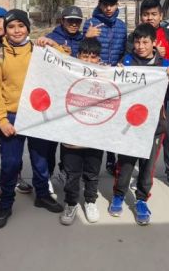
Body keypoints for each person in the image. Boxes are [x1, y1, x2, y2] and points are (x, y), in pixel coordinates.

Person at [0, 9, 64, 229]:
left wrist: (52, 45)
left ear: (28, 28)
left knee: (40, 161)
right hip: (12, 116)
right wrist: (1, 120)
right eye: (11, 26)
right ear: (6, 30)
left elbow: (66, 61)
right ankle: (6, 203)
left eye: (21, 26)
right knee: (10, 164)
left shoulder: (39, 50)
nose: (16, 30)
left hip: (38, 113)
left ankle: (42, 195)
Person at [108, 23, 169, 225]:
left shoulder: (164, 65)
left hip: (155, 125)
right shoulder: (127, 61)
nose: (140, 46)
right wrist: (117, 73)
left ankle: (141, 200)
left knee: (147, 167)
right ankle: (119, 196)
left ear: (154, 43)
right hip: (129, 125)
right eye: (137, 42)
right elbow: (116, 90)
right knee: (126, 164)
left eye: (145, 42)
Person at [135, 0, 169, 194]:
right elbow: (128, 61)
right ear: (141, 16)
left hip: (166, 97)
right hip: (142, 99)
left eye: (153, 14)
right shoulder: (136, 37)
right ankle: (140, 176)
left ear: (161, 16)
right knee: (142, 136)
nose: (149, 18)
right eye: (146, 14)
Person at [0, 5, 32, 195]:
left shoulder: (32, 47)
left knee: (28, 158)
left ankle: (20, 180)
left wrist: (49, 44)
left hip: (28, 111)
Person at [59, 37, 104, 226]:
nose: (89, 60)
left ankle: (90, 201)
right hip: (71, 138)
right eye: (85, 55)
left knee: (92, 173)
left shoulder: (107, 76)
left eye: (93, 57)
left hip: (95, 137)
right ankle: (70, 203)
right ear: (78, 56)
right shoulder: (67, 74)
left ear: (99, 59)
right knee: (72, 174)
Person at [83, 0, 127, 175]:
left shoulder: (122, 26)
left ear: (117, 4)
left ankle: (111, 158)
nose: (109, 8)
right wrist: (87, 36)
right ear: (99, 5)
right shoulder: (90, 23)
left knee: (112, 119)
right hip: (93, 80)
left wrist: (121, 63)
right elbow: (81, 50)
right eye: (105, 4)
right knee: (91, 118)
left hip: (113, 80)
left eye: (112, 4)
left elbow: (126, 49)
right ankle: (86, 157)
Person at [45, 5, 85, 189]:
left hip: (76, 97)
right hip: (55, 97)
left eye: (77, 21)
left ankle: (65, 171)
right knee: (50, 141)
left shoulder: (84, 39)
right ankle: (47, 175)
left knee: (71, 141)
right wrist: (51, 46)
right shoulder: (52, 38)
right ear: (62, 20)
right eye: (70, 20)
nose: (74, 24)